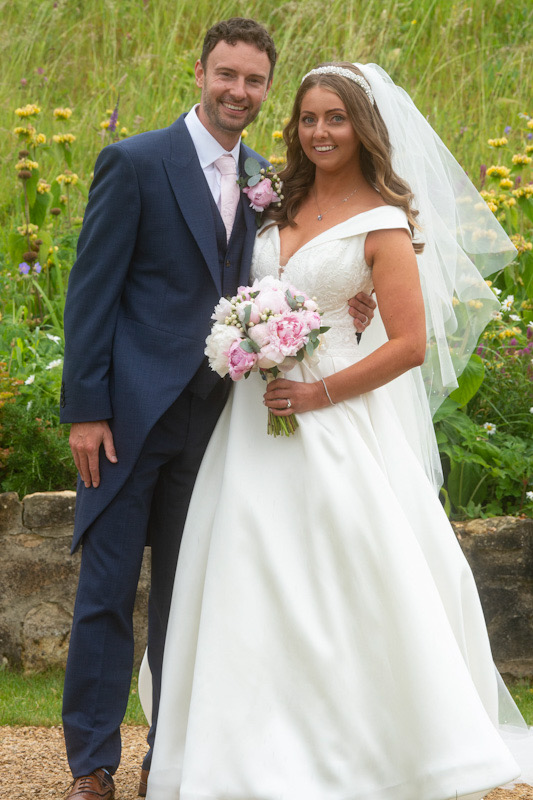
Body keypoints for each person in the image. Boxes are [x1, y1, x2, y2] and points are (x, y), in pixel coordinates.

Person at [142, 63, 533, 799]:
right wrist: (244, 337)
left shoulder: (383, 221)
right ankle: (241, 750)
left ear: (363, 128)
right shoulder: (270, 199)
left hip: (333, 419)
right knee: (244, 572)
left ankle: (365, 749)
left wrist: (317, 391)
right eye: (308, 118)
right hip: (251, 423)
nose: (319, 132)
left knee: (342, 575)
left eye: (336, 119)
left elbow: (408, 344)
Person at [59, 20, 375, 800]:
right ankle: (92, 763)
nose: (239, 92)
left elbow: (290, 271)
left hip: (218, 423)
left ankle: (169, 757)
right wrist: (86, 410)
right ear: (199, 71)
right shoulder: (133, 162)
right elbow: (91, 295)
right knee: (105, 594)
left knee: (188, 595)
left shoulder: (272, 178)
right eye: (226, 75)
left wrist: (351, 306)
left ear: (268, 88)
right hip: (128, 419)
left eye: (255, 81)